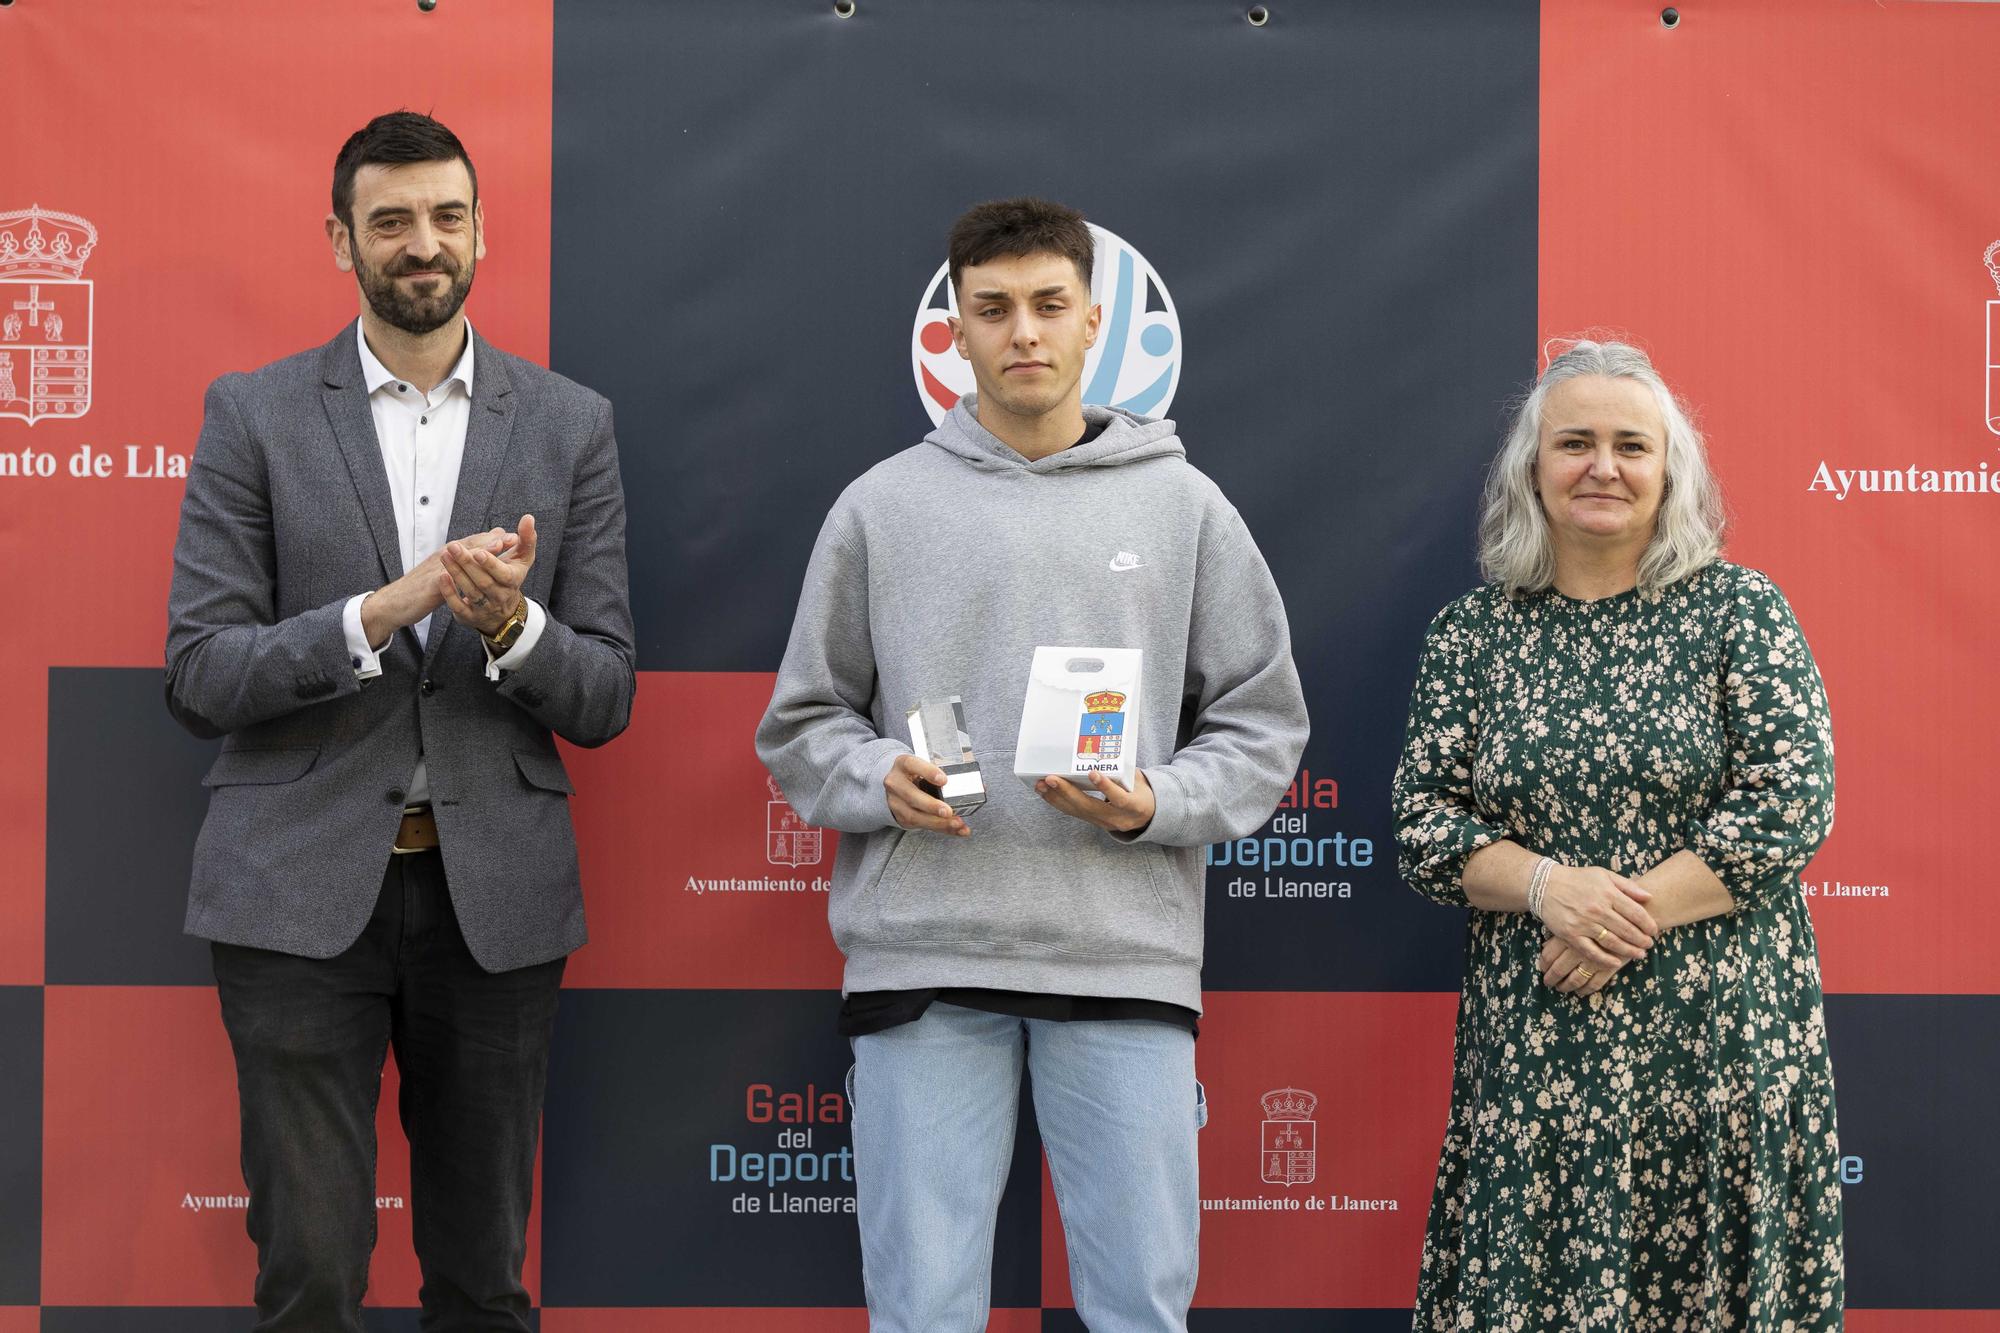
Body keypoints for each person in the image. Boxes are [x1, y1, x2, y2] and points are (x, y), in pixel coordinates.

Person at [756, 197, 1309, 1331]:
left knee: (1138, 1311)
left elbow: (1263, 726)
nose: (1023, 332)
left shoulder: (1184, 506)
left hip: (1123, 964)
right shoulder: (879, 506)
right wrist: (874, 781)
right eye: (993, 308)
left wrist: (1155, 799)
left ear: (1093, 321)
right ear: (951, 330)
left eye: (1049, 306)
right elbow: (802, 724)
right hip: (922, 961)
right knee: (921, 1309)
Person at [165, 110, 635, 1331]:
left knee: (483, 1277)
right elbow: (201, 672)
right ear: (340, 240)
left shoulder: (570, 422)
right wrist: (381, 610)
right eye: (389, 222)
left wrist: (507, 626)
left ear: (481, 231)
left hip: (497, 901)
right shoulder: (252, 413)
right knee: (310, 1269)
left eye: (445, 217)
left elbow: (606, 693)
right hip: (292, 892)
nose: (421, 244)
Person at [1391, 339, 1842, 1330]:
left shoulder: (1740, 611)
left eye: (1630, 444)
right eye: (1574, 443)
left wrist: (1610, 914)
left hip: (1719, 1048)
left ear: (1668, 470)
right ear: (1530, 470)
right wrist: (1552, 887)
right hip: (1538, 1051)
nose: (1602, 466)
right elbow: (1423, 823)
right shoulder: (1471, 634)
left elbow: (1789, 802)